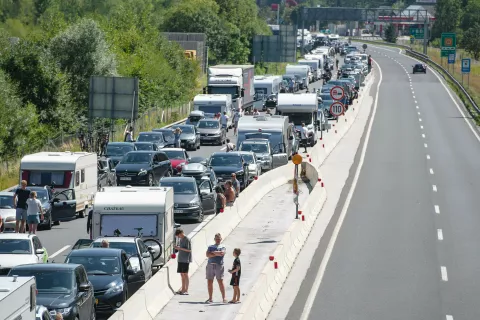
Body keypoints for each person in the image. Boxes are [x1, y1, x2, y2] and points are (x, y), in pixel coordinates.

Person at [205, 233, 227, 304]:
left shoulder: (223, 246)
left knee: (220, 281)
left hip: (219, 265)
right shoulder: (210, 246)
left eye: (219, 239)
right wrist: (216, 253)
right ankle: (210, 298)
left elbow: (222, 253)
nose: (218, 240)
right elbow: (207, 255)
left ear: (221, 239)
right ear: (214, 239)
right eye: (216, 239)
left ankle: (224, 298)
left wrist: (213, 253)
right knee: (209, 282)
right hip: (210, 265)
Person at [175, 228, 192, 295]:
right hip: (180, 259)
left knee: (185, 274)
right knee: (182, 274)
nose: (178, 237)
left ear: (181, 233)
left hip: (185, 259)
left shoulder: (186, 239)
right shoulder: (181, 239)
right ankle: (183, 289)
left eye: (178, 235)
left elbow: (189, 250)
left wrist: (179, 248)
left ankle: (186, 290)